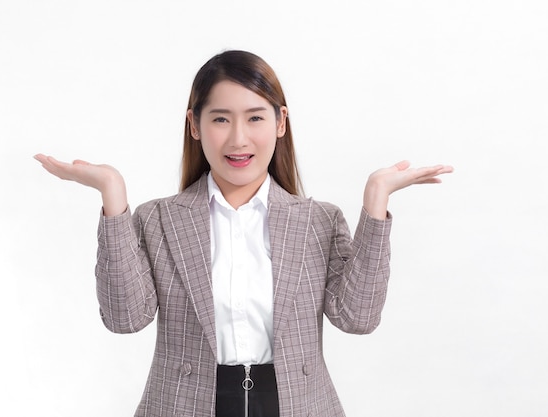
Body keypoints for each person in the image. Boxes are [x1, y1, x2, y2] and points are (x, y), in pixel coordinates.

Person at [34, 50, 453, 417]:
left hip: (298, 405)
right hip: (183, 404)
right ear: (195, 126)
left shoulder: (318, 221)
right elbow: (125, 319)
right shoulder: (156, 219)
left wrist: (376, 199)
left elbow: (357, 318)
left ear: (280, 122)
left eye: (255, 117)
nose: (238, 138)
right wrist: (113, 195)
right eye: (220, 119)